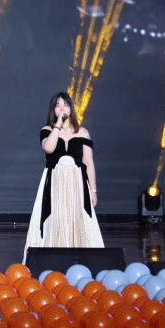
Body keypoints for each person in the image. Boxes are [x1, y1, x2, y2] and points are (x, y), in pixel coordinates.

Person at [24, 91, 103, 252]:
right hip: (55, 182)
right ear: (53, 110)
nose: (61, 109)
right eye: (57, 106)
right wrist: (58, 126)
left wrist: (93, 191)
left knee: (77, 218)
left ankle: (80, 257)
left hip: (77, 182)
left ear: (71, 108)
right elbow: (49, 148)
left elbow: (88, 162)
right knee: (55, 217)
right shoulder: (47, 130)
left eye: (65, 105)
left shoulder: (82, 132)